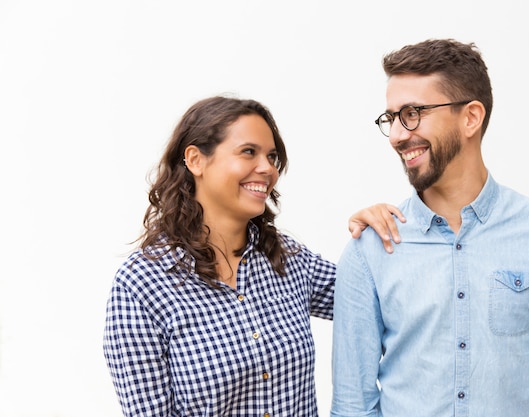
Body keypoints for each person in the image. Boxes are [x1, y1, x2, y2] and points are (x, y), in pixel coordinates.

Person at [331, 39, 529, 417]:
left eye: (412, 113)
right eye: (391, 118)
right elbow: (353, 406)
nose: (397, 134)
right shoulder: (371, 248)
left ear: (471, 118)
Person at [102, 95, 401, 417]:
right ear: (195, 160)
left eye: (272, 157)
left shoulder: (289, 259)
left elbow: (383, 302)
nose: (267, 169)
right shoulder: (141, 285)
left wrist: (373, 235)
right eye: (248, 152)